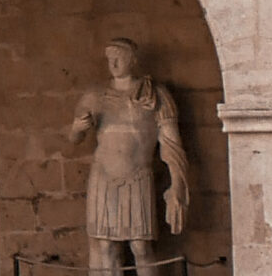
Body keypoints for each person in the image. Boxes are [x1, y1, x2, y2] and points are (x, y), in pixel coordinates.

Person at [68, 38, 190, 275]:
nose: (112, 63)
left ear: (132, 60)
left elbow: (172, 145)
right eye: (109, 58)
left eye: (119, 57)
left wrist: (177, 186)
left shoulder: (155, 95)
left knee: (141, 247)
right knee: (106, 246)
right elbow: (74, 138)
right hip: (103, 176)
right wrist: (77, 128)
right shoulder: (95, 95)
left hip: (137, 176)